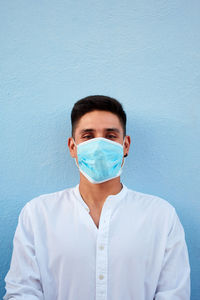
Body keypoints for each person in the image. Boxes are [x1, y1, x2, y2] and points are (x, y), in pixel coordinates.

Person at [4, 95, 190, 300]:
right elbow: (22, 293)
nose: (99, 145)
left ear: (125, 145)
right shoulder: (38, 214)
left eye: (110, 136)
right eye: (88, 136)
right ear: (72, 147)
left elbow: (174, 294)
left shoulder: (161, 216)